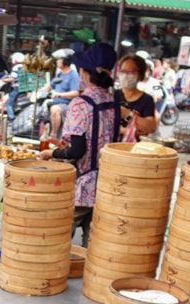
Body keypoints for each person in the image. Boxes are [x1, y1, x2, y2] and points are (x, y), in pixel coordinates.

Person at [40, 42, 119, 246]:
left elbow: (77, 150)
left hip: (83, 186)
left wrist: (52, 153)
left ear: (84, 72)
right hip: (107, 184)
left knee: (58, 241)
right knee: (93, 246)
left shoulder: (80, 104)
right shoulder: (113, 102)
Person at [115, 54, 159, 136]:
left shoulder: (146, 100)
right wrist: (126, 130)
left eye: (130, 72)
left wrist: (128, 114)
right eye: (123, 71)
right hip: (111, 147)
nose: (125, 75)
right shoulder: (113, 96)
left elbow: (150, 127)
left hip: (135, 147)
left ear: (140, 74)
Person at [46, 48, 81, 137]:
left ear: (65, 61)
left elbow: (75, 92)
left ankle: (53, 134)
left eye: (59, 59)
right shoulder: (59, 74)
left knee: (55, 110)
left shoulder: (73, 75)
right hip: (54, 101)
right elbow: (50, 85)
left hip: (66, 104)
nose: (57, 61)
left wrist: (60, 94)